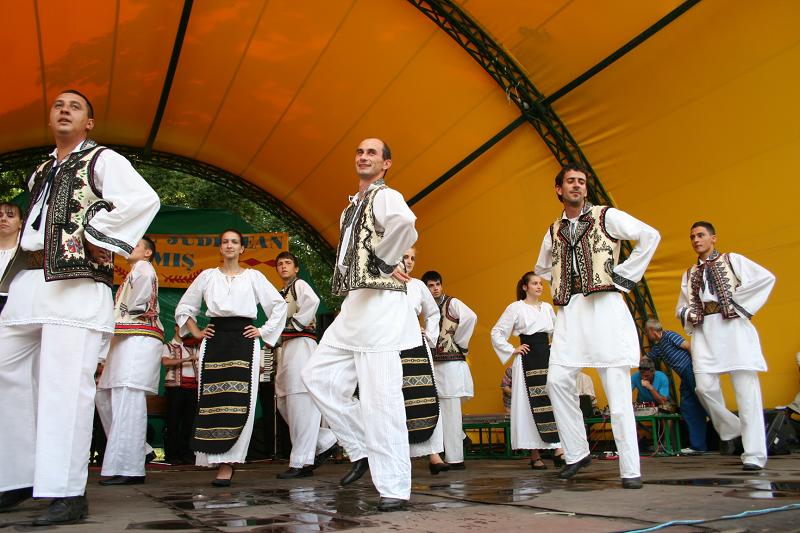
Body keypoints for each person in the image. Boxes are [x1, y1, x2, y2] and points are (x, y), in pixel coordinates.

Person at [0, 89, 160, 524]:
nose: (64, 110)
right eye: (58, 105)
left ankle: (66, 490)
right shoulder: (41, 171)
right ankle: (17, 475)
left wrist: (95, 235)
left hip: (75, 285)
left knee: (65, 385)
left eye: (75, 107)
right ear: (50, 118)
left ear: (89, 122)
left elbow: (143, 200)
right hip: (29, 281)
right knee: (7, 373)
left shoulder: (102, 159)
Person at [302, 138, 419, 512]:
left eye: (372, 153)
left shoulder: (386, 196)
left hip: (380, 307)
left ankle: (394, 486)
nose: (364, 156)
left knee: (381, 398)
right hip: (354, 306)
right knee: (317, 376)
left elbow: (405, 224)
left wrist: (386, 262)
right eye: (360, 151)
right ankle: (363, 446)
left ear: (386, 164)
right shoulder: (350, 208)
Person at [536, 165, 660, 489]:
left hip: (605, 309)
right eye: (570, 181)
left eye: (581, 182)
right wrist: (560, 284)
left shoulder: (606, 216)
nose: (577, 186)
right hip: (571, 313)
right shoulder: (553, 230)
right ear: (559, 189)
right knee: (556, 381)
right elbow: (542, 267)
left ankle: (630, 469)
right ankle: (577, 452)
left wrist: (623, 277)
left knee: (617, 392)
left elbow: (650, 236)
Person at [175, 229, 287, 486]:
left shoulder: (254, 276)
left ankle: (229, 462)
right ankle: (215, 458)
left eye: (234, 242)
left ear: (241, 248)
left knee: (240, 400)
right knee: (212, 400)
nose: (229, 245)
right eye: (225, 241)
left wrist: (263, 331)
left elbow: (278, 305)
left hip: (244, 341)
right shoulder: (207, 276)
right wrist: (196, 331)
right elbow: (185, 307)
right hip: (214, 340)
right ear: (220, 247)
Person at [676, 221, 775, 470]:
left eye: (701, 235)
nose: (696, 240)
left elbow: (765, 278)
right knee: (704, 387)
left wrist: (738, 304)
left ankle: (754, 455)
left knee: (747, 394)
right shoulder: (689, 273)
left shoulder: (733, 260)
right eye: (692, 237)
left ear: (713, 238)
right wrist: (689, 313)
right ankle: (733, 427)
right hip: (705, 333)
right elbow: (681, 306)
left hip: (734, 330)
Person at [95, 237, 164, 485]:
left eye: (136, 245)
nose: (130, 247)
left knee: (128, 397)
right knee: (103, 394)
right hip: (125, 338)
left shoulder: (143, 269)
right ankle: (141, 450)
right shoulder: (133, 273)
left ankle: (129, 468)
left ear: (147, 253)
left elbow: (136, 308)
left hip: (138, 338)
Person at [490, 272, 565, 470]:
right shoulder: (516, 308)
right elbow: (497, 332)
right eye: (534, 283)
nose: (539, 286)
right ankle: (535, 454)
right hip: (527, 359)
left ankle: (558, 448)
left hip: (546, 358)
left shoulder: (547, 307)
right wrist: (512, 349)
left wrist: (556, 349)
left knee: (551, 401)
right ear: (525, 287)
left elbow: (557, 332)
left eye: (540, 283)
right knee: (529, 406)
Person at [273, 251, 337, 479]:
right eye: (280, 264)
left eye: (288, 263)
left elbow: (313, 301)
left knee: (298, 399)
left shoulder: (299, 285)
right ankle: (325, 440)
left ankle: (300, 462)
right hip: (287, 347)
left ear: (296, 268)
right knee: (284, 401)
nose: (283, 266)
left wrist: (296, 324)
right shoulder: (280, 293)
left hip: (301, 344)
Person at [421, 270, 477, 470]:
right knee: (437, 408)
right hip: (435, 363)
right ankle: (460, 438)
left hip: (450, 363)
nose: (435, 289)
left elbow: (471, 317)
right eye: (431, 286)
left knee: (451, 408)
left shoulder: (451, 303)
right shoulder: (427, 308)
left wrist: (460, 342)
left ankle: (455, 459)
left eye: (437, 284)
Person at [401, 247, 448, 474]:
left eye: (413, 258)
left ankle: (434, 454)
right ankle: (401, 456)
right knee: (399, 397)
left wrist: (428, 334)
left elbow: (432, 313)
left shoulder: (418, 285)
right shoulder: (382, 283)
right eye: (405, 256)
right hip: (391, 343)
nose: (409, 261)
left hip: (416, 344)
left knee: (426, 395)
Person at [644, 319, 708, 453]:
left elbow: (688, 346)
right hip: (684, 376)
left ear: (651, 330)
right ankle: (698, 446)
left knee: (706, 403)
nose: (646, 334)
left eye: (646, 331)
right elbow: (646, 358)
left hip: (690, 370)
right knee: (687, 407)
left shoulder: (669, 335)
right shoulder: (658, 347)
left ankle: (729, 433)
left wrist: (697, 366)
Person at [162, 325, 200, 465]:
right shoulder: (168, 346)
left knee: (189, 423)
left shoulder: (193, 347)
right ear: (176, 328)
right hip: (175, 390)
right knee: (173, 423)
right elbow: (165, 362)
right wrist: (185, 359)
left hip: (193, 389)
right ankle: (172, 455)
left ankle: (187, 454)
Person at [0, 202, 22, 314]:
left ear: (21, 223)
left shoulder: (26, 255)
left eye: (10, 215)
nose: (3, 219)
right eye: (0, 215)